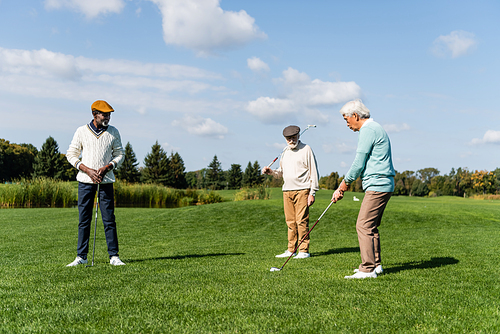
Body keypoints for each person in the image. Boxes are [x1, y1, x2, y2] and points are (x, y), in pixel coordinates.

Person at [331, 99, 395, 279]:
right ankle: (376, 265)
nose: (347, 124)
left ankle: (367, 269)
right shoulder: (376, 128)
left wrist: (343, 184)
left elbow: (359, 162)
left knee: (363, 225)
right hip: (383, 184)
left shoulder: (368, 130)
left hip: (378, 184)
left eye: (346, 119)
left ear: (355, 116)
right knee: (371, 226)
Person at [66, 100, 126, 266]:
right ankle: (81, 257)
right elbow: (71, 155)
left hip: (105, 181)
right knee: (84, 220)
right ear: (94, 114)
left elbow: (120, 154)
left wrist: (108, 167)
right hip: (85, 181)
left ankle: (114, 256)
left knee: (109, 220)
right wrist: (88, 170)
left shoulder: (113, 132)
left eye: (109, 115)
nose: (107, 117)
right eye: (104, 114)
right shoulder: (81, 131)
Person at [262, 125, 319, 259]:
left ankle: (304, 250)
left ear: (298, 136)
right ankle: (291, 250)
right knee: (290, 222)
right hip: (287, 190)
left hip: (302, 190)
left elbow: (314, 172)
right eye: (288, 139)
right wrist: (271, 172)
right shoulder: (285, 152)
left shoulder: (306, 149)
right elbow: (281, 173)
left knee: (301, 221)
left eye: (293, 138)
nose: (291, 141)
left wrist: (313, 192)